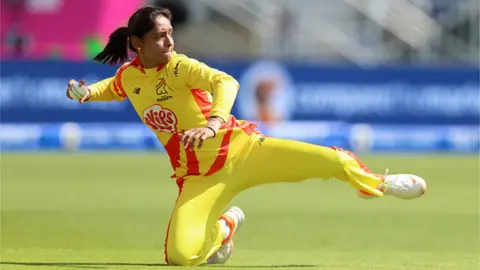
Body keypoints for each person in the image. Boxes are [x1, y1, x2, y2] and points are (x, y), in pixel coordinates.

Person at [66, 6, 427, 266]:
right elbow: (113, 87)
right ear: (136, 43)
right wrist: (85, 93)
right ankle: (225, 227)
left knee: (330, 160)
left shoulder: (180, 67)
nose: (169, 41)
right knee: (180, 258)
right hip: (199, 179)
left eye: (171, 34)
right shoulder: (130, 77)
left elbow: (226, 81)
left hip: (243, 150)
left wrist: (213, 121)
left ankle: (380, 183)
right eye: (160, 36)